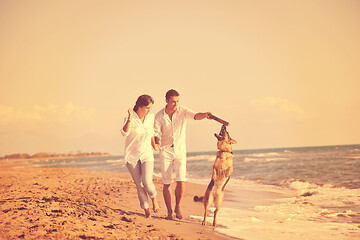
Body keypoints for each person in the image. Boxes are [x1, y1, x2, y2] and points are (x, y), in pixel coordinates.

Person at [154, 89, 211, 220]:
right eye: (173, 101)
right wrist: (156, 142)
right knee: (167, 183)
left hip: (180, 151)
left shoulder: (183, 110)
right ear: (167, 100)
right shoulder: (159, 116)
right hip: (165, 151)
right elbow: (156, 133)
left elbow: (195, 115)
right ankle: (169, 212)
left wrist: (205, 114)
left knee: (181, 181)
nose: (176, 104)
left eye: (178, 101)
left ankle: (177, 207)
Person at [121, 94, 160, 218]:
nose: (149, 110)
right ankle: (146, 208)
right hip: (132, 156)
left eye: (150, 108)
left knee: (147, 181)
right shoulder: (129, 118)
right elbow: (124, 133)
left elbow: (152, 134)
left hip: (146, 154)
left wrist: (155, 145)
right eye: (147, 108)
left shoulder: (151, 118)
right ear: (140, 106)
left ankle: (154, 199)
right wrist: (130, 118)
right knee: (139, 184)